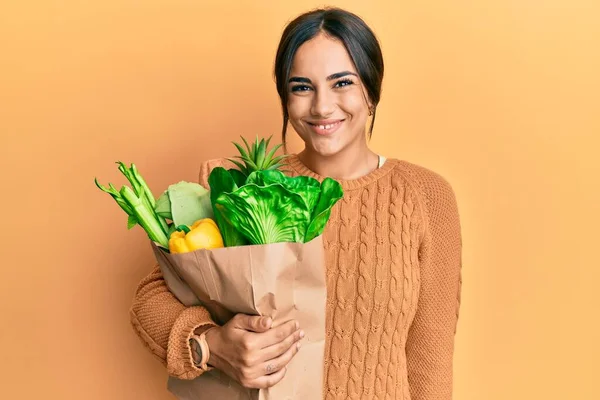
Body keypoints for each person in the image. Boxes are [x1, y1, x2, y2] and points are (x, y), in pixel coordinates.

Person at [130, 6, 463, 400]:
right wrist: (212, 345)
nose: (322, 106)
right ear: (286, 100)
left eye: (342, 83)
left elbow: (431, 363)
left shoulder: (426, 197)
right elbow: (150, 300)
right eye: (302, 87)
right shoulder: (245, 188)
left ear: (371, 92)